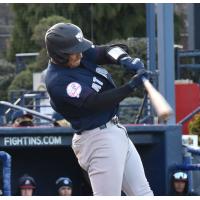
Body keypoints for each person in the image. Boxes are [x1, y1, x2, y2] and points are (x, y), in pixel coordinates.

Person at [45, 22, 153, 196]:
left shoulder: (76, 56)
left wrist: (125, 59)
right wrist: (131, 86)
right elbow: (95, 102)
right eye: (75, 51)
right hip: (97, 139)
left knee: (143, 194)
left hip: (114, 130)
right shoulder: (58, 81)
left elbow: (106, 51)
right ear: (60, 55)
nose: (80, 53)